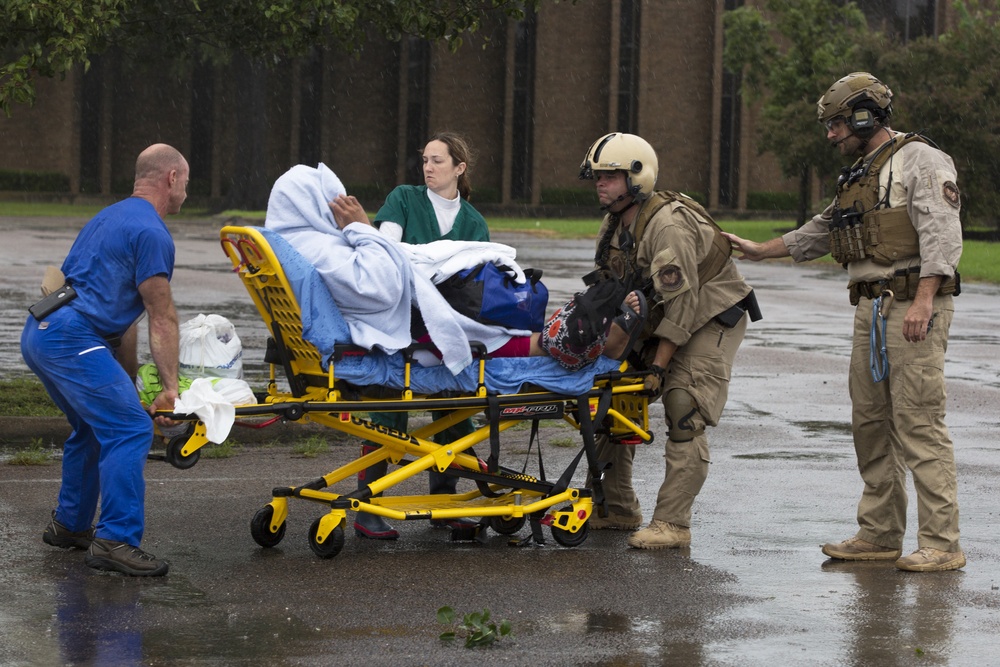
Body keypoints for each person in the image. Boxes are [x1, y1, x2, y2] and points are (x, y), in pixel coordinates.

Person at [722, 72, 965, 572]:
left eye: (836, 124)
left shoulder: (921, 159)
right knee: (871, 424)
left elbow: (942, 237)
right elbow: (823, 230)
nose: (830, 134)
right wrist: (759, 250)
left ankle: (942, 543)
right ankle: (880, 532)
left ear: (864, 116)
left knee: (919, 423)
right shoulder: (862, 172)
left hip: (911, 304)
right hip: (870, 309)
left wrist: (923, 302)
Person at [577, 132, 759, 550]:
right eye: (597, 177)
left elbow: (683, 305)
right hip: (664, 315)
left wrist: (658, 367)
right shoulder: (613, 224)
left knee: (683, 405)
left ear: (637, 178)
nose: (600, 184)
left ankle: (673, 524)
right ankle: (617, 506)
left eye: (610, 176)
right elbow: (612, 292)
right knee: (613, 399)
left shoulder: (667, 224)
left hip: (710, 315)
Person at [21, 143, 189, 576]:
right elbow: (161, 315)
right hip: (72, 337)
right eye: (185, 181)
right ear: (171, 178)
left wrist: (127, 385)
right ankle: (115, 540)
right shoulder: (152, 233)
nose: (186, 191)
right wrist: (171, 391)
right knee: (131, 427)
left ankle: (70, 526)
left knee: (95, 427)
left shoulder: (108, 217)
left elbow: (122, 322)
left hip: (42, 331)